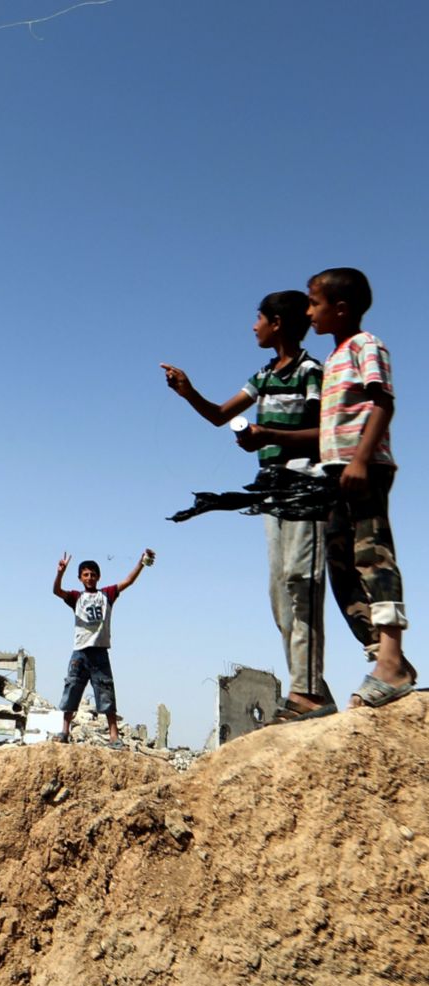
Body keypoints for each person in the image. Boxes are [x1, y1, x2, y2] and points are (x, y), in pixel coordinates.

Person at [160, 291, 334, 720]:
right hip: (273, 493)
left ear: (277, 323)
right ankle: (313, 690)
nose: (252, 326)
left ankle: (306, 693)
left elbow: (322, 432)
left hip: (307, 489)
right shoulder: (262, 376)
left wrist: (267, 435)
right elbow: (221, 414)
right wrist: (188, 392)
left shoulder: (311, 372)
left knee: (302, 582)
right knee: (280, 594)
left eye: (258, 318)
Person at [306, 267, 414, 707]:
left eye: (315, 303)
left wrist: (362, 459)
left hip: (363, 468)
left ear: (341, 308)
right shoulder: (332, 359)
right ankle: (382, 655)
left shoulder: (366, 346)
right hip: (335, 472)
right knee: (339, 563)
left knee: (373, 555)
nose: (309, 312)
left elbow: (383, 401)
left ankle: (391, 659)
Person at [52, 550, 153, 747]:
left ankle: (114, 736)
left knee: (106, 692)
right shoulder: (76, 597)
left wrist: (141, 563)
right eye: (85, 574)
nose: (89, 577)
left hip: (100, 652)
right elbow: (57, 591)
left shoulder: (106, 595)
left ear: (98, 577)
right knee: (72, 689)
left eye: (93, 574)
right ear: (80, 578)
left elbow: (128, 581)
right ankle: (64, 731)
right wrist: (60, 572)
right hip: (80, 652)